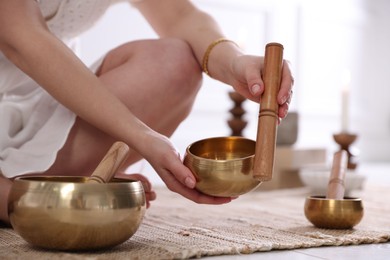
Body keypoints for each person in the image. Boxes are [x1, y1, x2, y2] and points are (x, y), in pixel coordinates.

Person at [0, 0, 294, 225]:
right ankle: (19, 199)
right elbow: (20, 37)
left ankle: (53, 191)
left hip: (41, 101)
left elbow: (180, 16)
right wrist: (141, 135)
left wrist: (234, 64)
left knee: (173, 62)